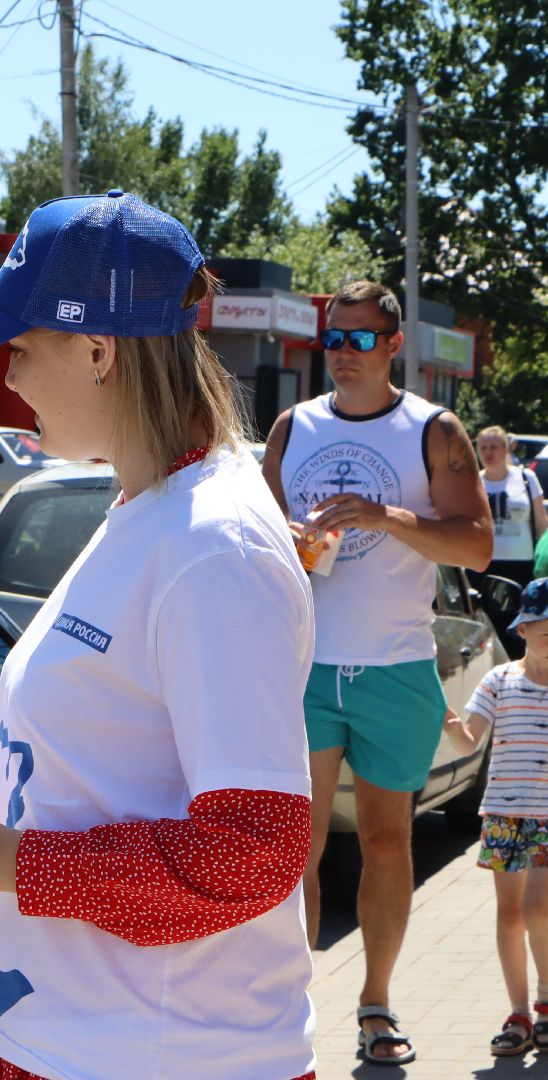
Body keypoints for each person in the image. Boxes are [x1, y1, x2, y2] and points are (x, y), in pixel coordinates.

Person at [0, 189, 318, 1080]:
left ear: (97, 350)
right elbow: (126, 754)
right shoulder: (150, 505)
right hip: (81, 1042)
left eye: (20, 348)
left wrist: (14, 862)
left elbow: (252, 853)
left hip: (168, 1057)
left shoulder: (215, 545)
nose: (6, 379)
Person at [262, 280, 492, 1065]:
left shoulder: (434, 428)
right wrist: (285, 542)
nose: (343, 352)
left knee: (388, 843)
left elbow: (476, 546)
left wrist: (382, 515)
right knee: (296, 845)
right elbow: (253, 541)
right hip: (305, 667)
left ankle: (377, 1002)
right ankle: (286, 1002)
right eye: (334, 338)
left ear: (395, 345)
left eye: (360, 339)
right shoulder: (294, 427)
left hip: (396, 667)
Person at [442, 578, 548, 1057]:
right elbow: (470, 742)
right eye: (541, 622)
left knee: (537, 908)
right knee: (509, 915)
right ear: (523, 628)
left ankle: (546, 1004)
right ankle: (519, 1012)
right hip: (505, 815)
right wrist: (446, 724)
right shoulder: (499, 680)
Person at [476, 425, 546, 588]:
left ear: (505, 449)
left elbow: (541, 524)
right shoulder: (474, 482)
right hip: (483, 563)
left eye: (493, 447)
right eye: (483, 448)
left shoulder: (526, 477)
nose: (488, 452)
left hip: (522, 562)